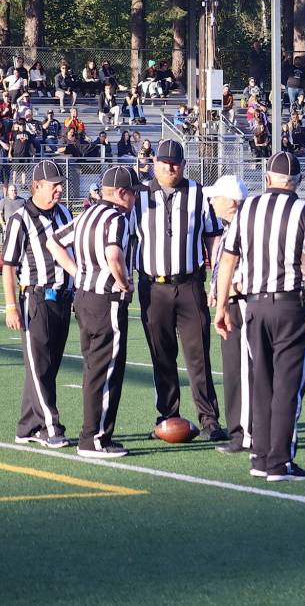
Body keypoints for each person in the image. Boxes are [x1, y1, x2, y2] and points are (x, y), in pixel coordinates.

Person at [213, 150, 305, 482]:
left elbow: (227, 261)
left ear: (267, 178)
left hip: (253, 307)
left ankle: (261, 456)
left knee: (262, 382)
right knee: (287, 387)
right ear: (298, 183)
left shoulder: (248, 207)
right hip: (291, 306)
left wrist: (222, 306)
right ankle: (280, 463)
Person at [131, 139, 227, 441]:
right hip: (153, 286)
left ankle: (209, 419)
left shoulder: (199, 194)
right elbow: (126, 238)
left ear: (183, 165)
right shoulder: (139, 196)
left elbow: (213, 237)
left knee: (198, 355)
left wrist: (217, 278)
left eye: (175, 163)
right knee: (161, 355)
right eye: (164, 162)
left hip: (189, 284)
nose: (169, 167)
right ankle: (168, 416)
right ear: (154, 163)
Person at [47, 166, 135, 458]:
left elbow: (53, 242)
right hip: (106, 299)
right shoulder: (116, 218)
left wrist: (77, 272)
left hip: (83, 296)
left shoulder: (86, 215)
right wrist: (124, 284)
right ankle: (95, 438)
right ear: (121, 193)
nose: (135, 198)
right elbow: (113, 254)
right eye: (133, 193)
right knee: (107, 369)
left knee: (93, 367)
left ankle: (91, 434)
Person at [2, 160, 75, 448]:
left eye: (60, 184)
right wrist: (10, 306)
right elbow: (8, 266)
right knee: (39, 365)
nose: (59, 189)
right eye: (53, 185)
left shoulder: (64, 212)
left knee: (48, 367)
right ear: (36, 186)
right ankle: (49, 426)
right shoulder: (20, 219)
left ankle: (27, 426)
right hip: (36, 298)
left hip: (62, 298)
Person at [202, 175, 251, 455]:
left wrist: (228, 292)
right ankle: (241, 430)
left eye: (216, 197)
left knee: (240, 371)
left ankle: (242, 433)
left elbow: (248, 270)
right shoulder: (230, 228)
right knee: (234, 371)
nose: (211, 201)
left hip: (241, 305)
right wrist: (216, 290)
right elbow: (223, 266)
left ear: (231, 202)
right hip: (230, 303)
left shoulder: (245, 228)